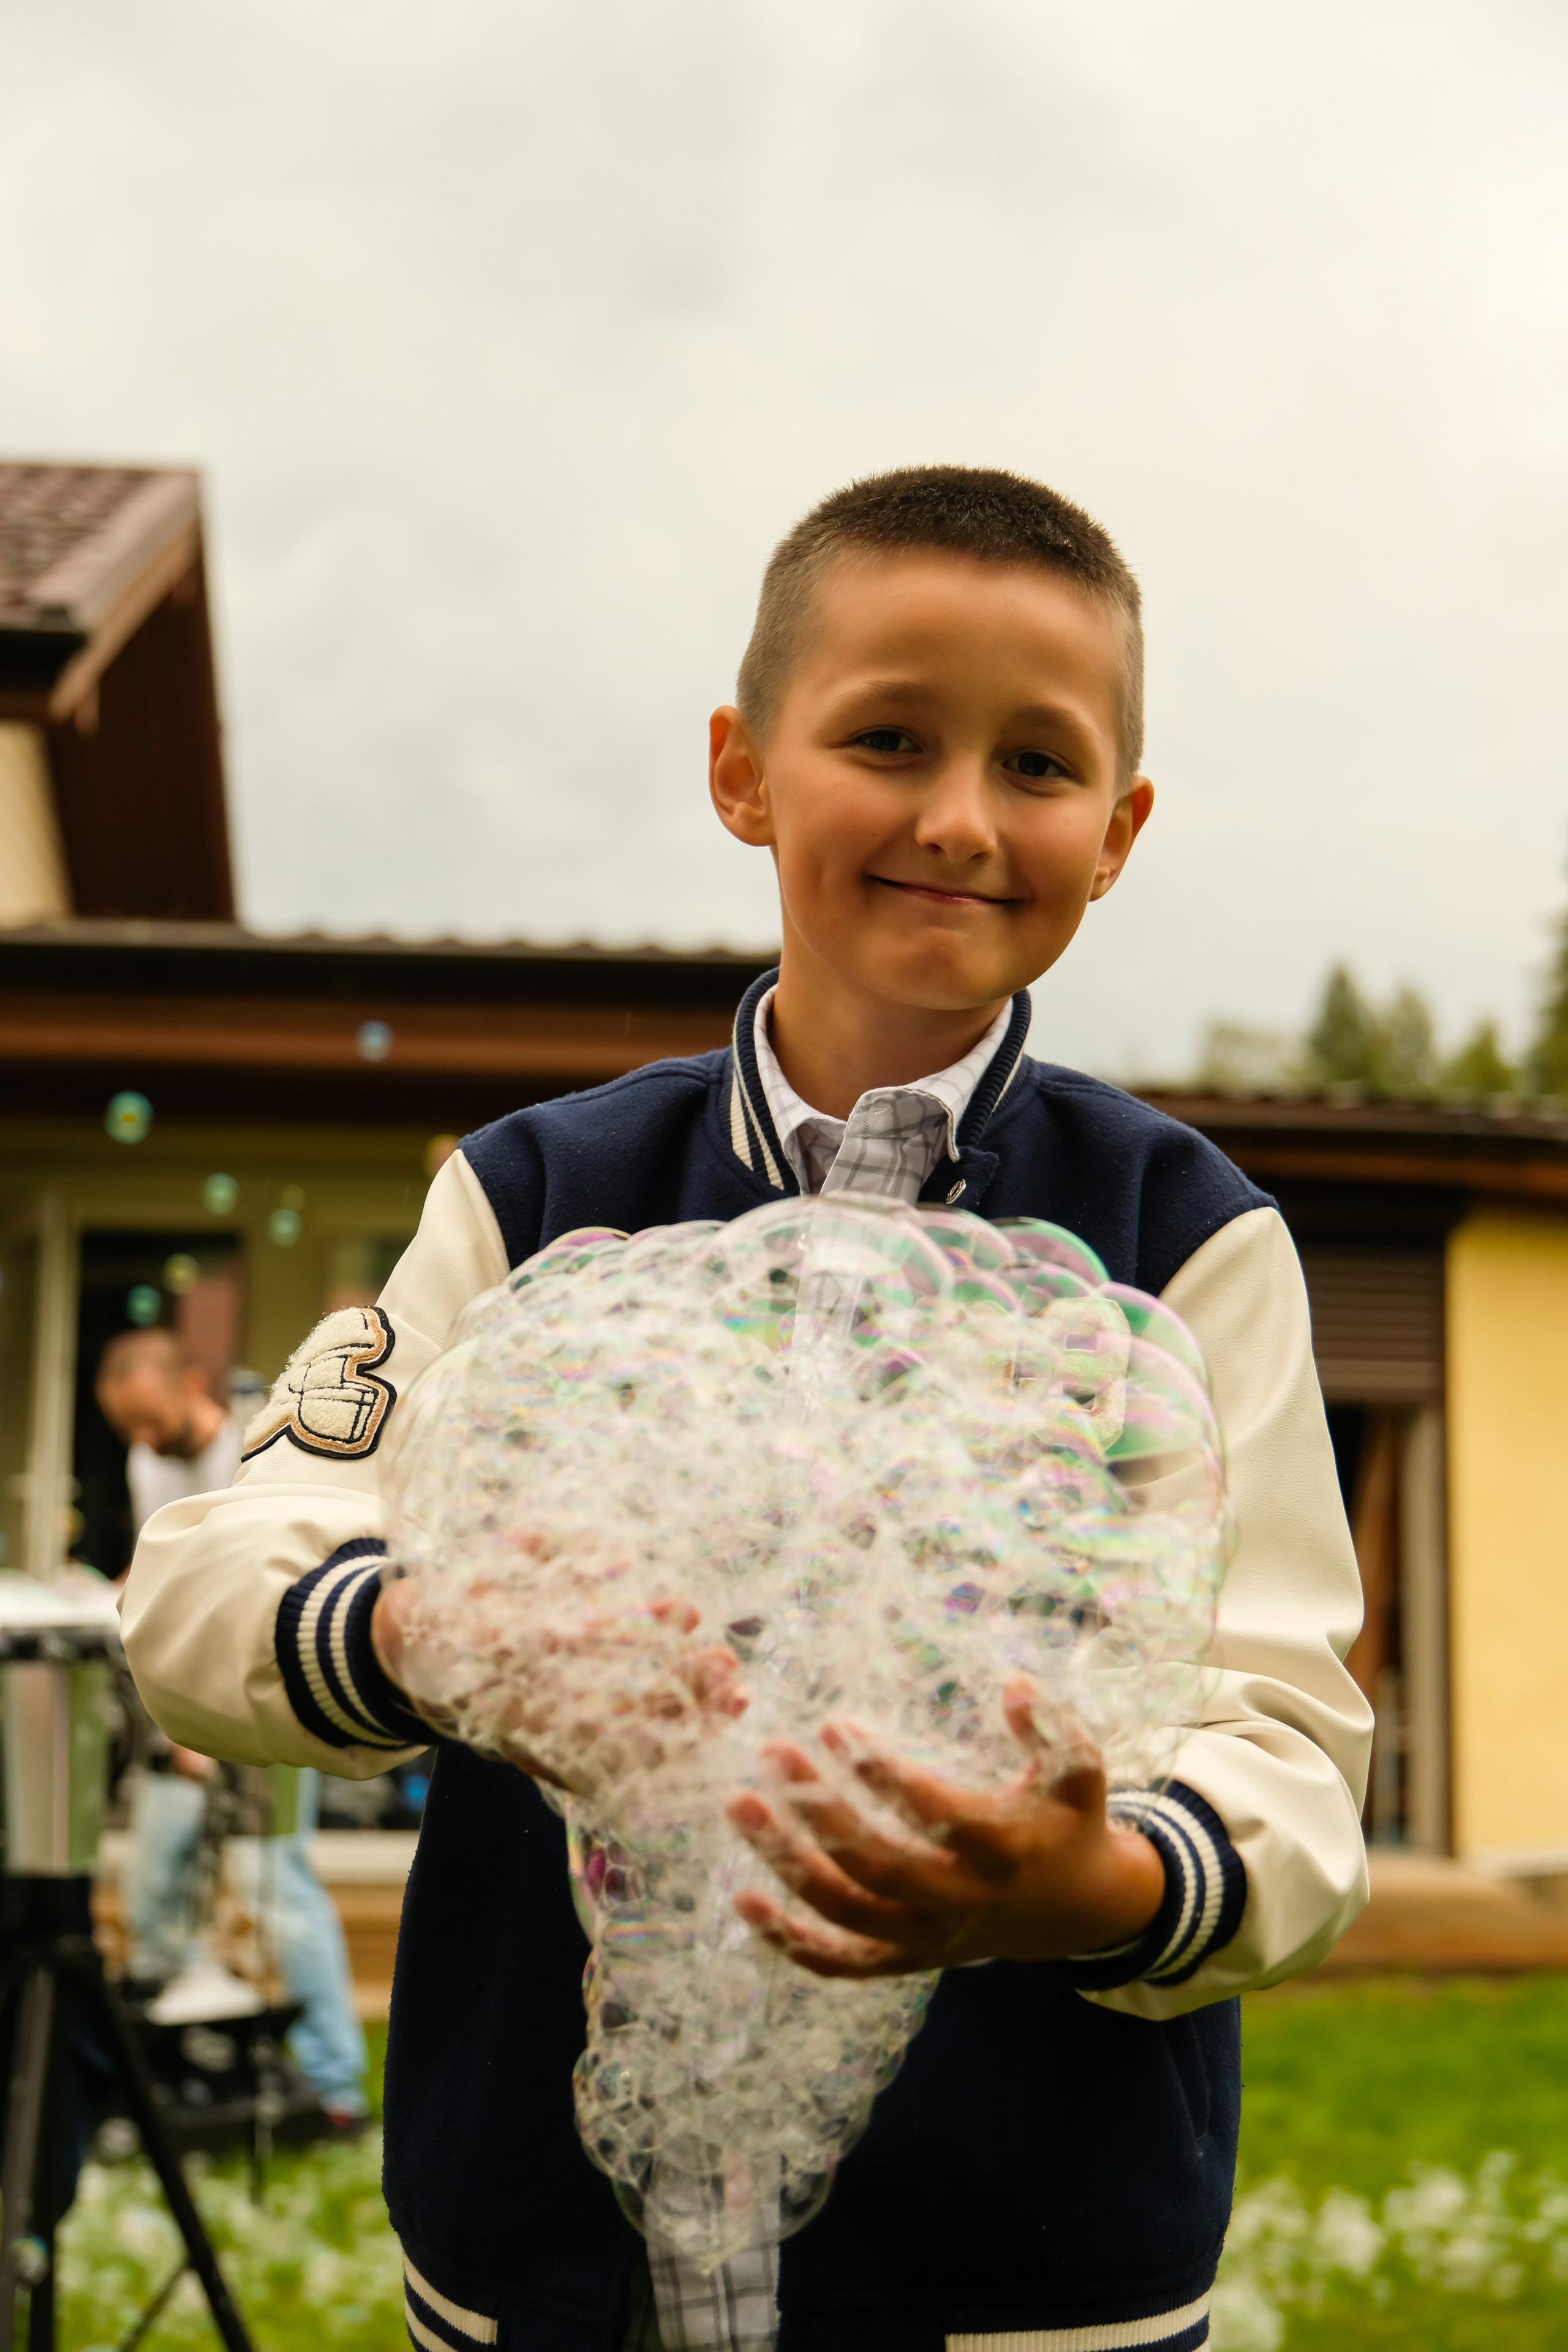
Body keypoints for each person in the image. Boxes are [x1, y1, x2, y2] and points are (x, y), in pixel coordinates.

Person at [121, 467, 1372, 2352]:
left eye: (1037, 767)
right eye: (889, 738)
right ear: (744, 771)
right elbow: (209, 1583)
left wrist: (1099, 1881)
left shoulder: (1186, 1239)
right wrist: (415, 1629)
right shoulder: (533, 1193)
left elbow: (1284, 1740)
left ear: (1115, 832)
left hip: (1018, 2295)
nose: (960, 817)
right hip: (538, 2280)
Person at [97, 1328, 369, 2126]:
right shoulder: (149, 1461)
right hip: (180, 1711)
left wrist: (201, 1726)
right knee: (152, 1885)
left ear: (191, 1387)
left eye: (152, 1421)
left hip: (269, 1701)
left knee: (279, 1887)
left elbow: (257, 1592)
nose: (142, 1442)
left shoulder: (257, 1451)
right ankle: (181, 2066)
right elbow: (170, 1578)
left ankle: (335, 2085)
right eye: (128, 1431)